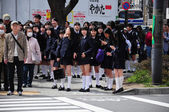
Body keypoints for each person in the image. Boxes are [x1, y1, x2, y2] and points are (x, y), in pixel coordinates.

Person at [4, 21, 27, 96]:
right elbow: (5, 48)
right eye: (13, 26)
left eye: (16, 26)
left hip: (20, 57)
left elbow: (25, 47)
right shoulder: (7, 36)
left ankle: (19, 89)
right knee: (10, 74)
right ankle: (11, 89)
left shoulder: (22, 35)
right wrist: (5, 57)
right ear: (11, 27)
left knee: (20, 74)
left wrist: (25, 57)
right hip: (11, 57)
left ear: (19, 27)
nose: (15, 27)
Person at [74, 27, 93, 92]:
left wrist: (85, 53)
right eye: (82, 30)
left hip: (86, 57)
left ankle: (87, 87)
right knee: (83, 72)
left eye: (85, 30)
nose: (83, 31)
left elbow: (91, 48)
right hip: (80, 57)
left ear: (87, 31)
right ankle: (83, 86)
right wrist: (76, 53)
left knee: (87, 71)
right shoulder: (81, 38)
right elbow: (78, 47)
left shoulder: (89, 39)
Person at [57, 27, 75, 92]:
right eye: (66, 30)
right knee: (62, 71)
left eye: (68, 30)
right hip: (62, 56)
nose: (66, 30)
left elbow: (74, 47)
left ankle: (69, 86)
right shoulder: (63, 38)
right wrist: (58, 55)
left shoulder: (72, 39)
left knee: (68, 72)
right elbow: (59, 47)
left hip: (69, 56)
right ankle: (62, 85)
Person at [112, 25, 126, 94]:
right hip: (116, 57)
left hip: (120, 58)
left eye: (115, 35)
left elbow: (120, 51)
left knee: (119, 72)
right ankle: (118, 87)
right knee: (116, 72)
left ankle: (119, 87)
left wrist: (114, 49)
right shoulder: (118, 41)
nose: (114, 37)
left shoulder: (121, 42)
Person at [0, 24, 8, 91]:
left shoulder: (8, 37)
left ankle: (6, 86)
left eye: (2, 29)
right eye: (0, 29)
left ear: (5, 30)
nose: (1, 30)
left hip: (6, 58)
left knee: (7, 73)